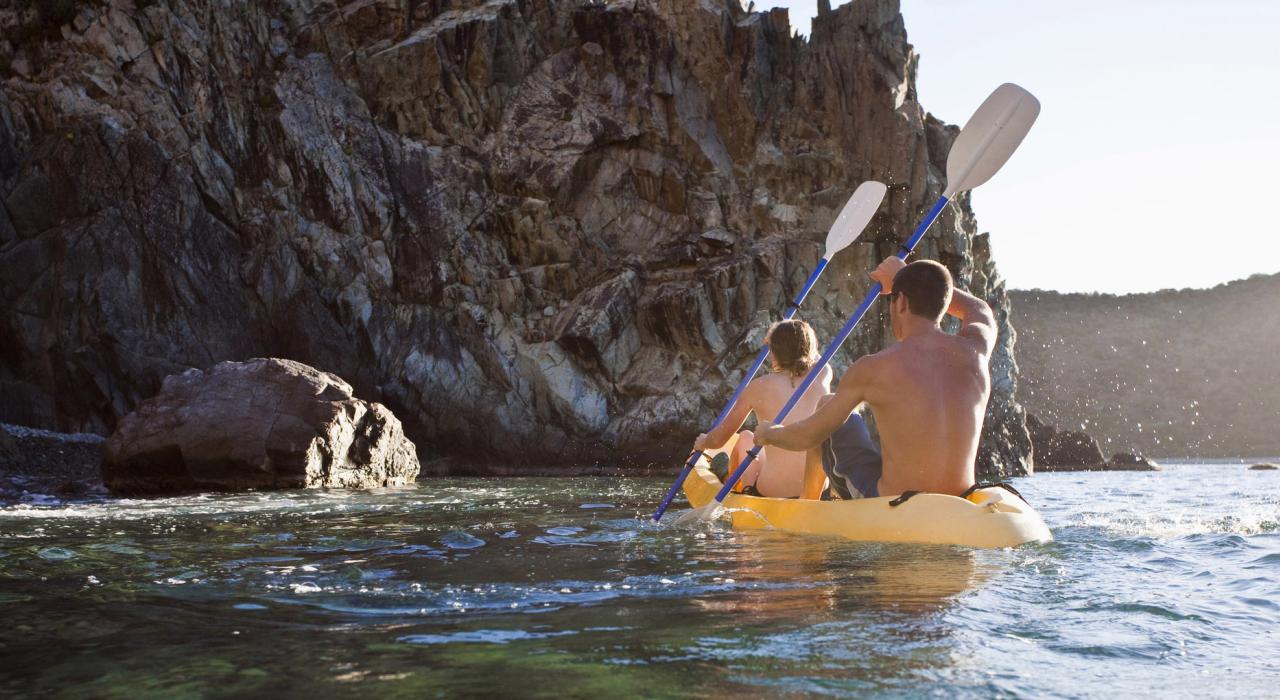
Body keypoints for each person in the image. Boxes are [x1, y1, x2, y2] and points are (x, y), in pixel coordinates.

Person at [755, 256, 997, 499]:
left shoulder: (873, 368)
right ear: (943, 304)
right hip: (959, 498)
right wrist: (909, 278)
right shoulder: (976, 351)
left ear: (901, 302)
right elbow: (979, 310)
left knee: (827, 405)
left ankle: (807, 507)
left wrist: (769, 432)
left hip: (894, 501)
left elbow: (807, 436)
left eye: (892, 300)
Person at [692, 319, 833, 498]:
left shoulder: (757, 388)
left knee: (745, 437)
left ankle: (737, 487)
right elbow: (813, 355)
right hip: (819, 490)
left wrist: (704, 441)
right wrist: (789, 336)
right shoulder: (823, 374)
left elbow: (718, 440)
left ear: (774, 351)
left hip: (773, 491)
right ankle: (740, 484)